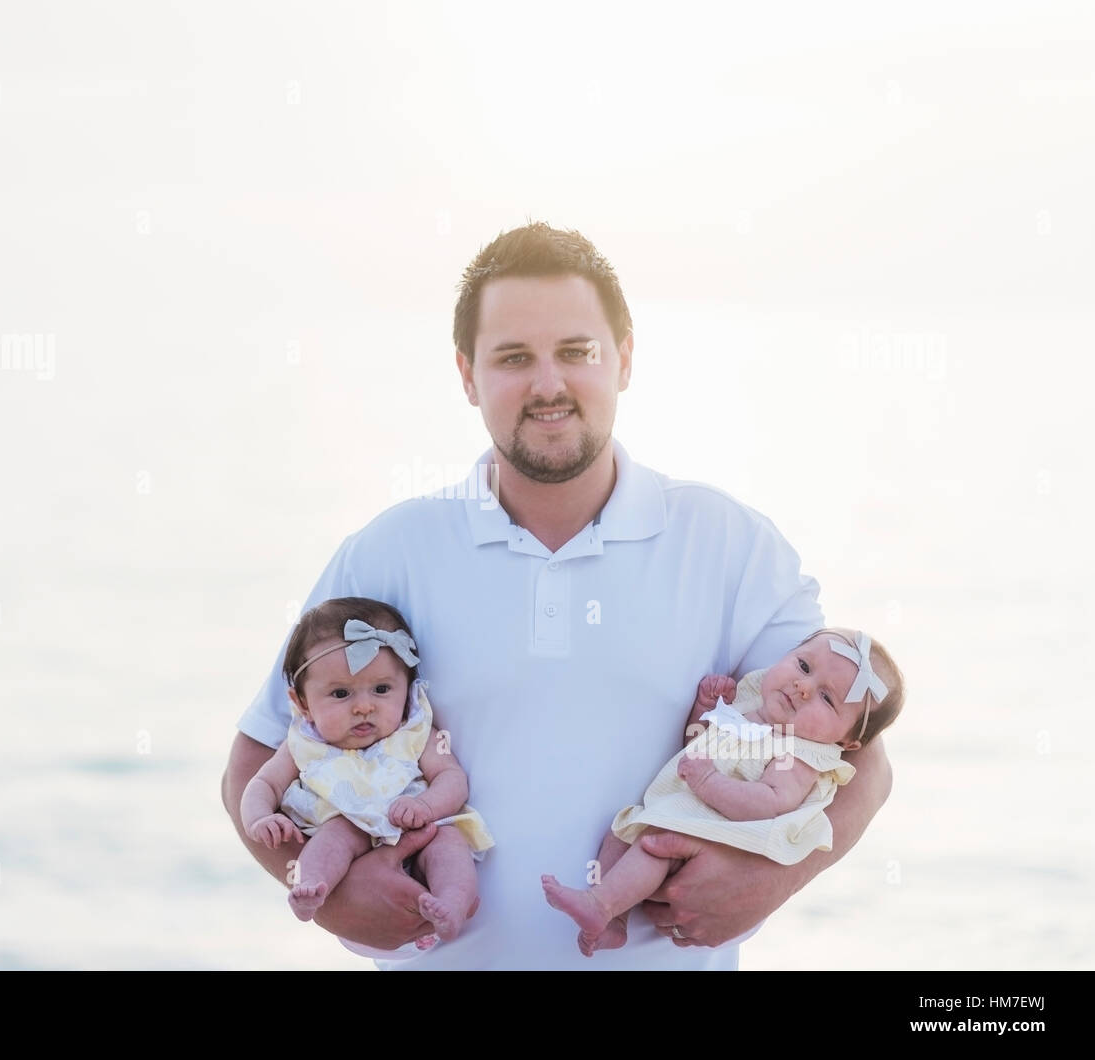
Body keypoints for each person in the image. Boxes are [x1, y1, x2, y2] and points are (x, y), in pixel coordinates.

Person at [223, 222, 894, 970]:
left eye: (577, 352)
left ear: (625, 358)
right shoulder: (389, 553)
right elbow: (254, 759)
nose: (548, 384)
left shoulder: (731, 546)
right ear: (468, 374)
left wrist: (779, 875)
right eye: (514, 357)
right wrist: (326, 894)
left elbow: (862, 759)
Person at [542, 628, 904, 957]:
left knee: (653, 849)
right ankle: (616, 921)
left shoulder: (799, 755)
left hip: (706, 833)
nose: (803, 687)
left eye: (827, 698)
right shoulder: (749, 708)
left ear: (847, 741)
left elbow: (770, 803)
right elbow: (696, 747)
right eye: (804, 665)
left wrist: (707, 783)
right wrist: (703, 712)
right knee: (618, 836)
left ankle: (599, 904)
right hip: (676, 812)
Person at [240, 596, 493, 943]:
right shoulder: (302, 744)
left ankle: (451, 904)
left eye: (382, 689)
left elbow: (452, 779)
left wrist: (426, 807)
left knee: (449, 843)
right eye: (341, 693)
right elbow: (262, 784)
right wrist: (260, 820)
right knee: (336, 836)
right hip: (352, 833)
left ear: (406, 687)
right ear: (302, 703)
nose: (363, 707)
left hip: (418, 827)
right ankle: (314, 888)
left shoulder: (415, 733)